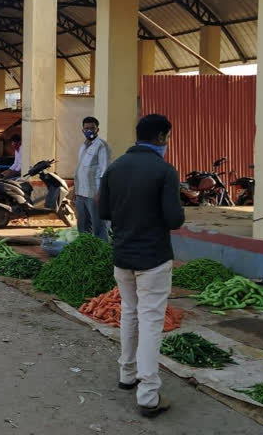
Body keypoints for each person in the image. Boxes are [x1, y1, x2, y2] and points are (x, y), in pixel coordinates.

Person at [98, 114, 185, 418]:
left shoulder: (115, 167)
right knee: (150, 322)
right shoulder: (164, 171)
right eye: (167, 138)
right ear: (161, 137)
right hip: (153, 259)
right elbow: (174, 220)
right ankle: (148, 394)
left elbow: (104, 210)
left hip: (122, 256)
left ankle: (127, 374)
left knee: (129, 313)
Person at [72, 116, 111, 241]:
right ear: (82, 130)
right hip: (81, 193)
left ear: (97, 129)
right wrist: (74, 191)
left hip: (94, 194)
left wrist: (100, 194)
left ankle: (103, 254)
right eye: (87, 128)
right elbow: (80, 170)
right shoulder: (83, 146)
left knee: (99, 227)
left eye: (92, 128)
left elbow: (105, 172)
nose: (89, 131)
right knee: (83, 227)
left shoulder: (102, 146)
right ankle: (86, 254)